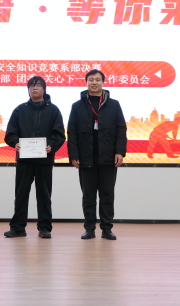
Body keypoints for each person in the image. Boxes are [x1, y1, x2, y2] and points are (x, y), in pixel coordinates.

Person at [67, 69, 127, 241]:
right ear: (86, 82)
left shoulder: (114, 105)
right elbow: (72, 132)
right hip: (86, 157)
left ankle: (107, 229)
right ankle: (89, 228)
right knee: (88, 196)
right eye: (91, 79)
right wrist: (74, 154)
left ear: (103, 82)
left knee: (107, 195)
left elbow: (121, 129)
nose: (94, 82)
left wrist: (119, 151)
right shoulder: (77, 106)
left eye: (98, 80)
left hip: (107, 157)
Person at [4, 76, 65, 239]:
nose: (34, 88)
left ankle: (44, 228)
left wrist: (51, 145)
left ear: (44, 89)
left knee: (44, 195)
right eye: (31, 86)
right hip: (24, 160)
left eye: (38, 85)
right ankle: (18, 227)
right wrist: (15, 143)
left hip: (44, 160)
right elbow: (10, 133)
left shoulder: (54, 110)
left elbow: (59, 134)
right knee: (21, 194)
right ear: (28, 90)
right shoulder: (20, 110)